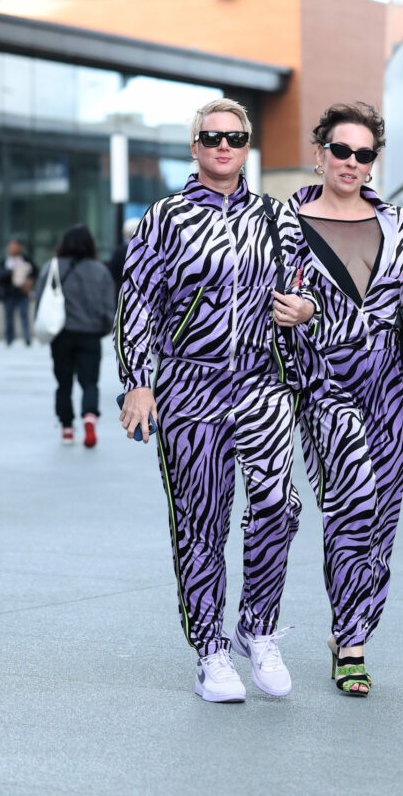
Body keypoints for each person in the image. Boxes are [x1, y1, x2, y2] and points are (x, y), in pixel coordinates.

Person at [115, 98, 302, 702]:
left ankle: (259, 627)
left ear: (248, 147)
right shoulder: (164, 217)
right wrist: (138, 381)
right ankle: (211, 652)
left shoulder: (277, 218)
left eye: (237, 137)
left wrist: (304, 310)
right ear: (194, 147)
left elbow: (307, 294)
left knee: (280, 505)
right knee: (202, 522)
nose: (225, 145)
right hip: (189, 388)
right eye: (213, 136)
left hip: (259, 381)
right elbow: (137, 301)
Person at [272, 102, 403, 696]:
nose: (350, 162)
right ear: (319, 152)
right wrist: (301, 312)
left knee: (383, 513)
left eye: (363, 153)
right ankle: (353, 645)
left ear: (373, 162)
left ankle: (353, 631)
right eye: (340, 150)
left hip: (392, 385)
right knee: (353, 500)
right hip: (323, 382)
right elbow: (265, 301)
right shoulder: (282, 226)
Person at [32, 225, 115, 447]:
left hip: (62, 335)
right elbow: (110, 307)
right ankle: (89, 418)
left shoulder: (52, 267)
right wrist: (103, 329)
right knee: (90, 382)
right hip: (90, 335)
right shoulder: (100, 271)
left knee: (63, 383)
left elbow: (40, 299)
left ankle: (67, 429)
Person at [0, 238, 36, 346]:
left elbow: (35, 272)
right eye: (12, 246)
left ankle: (27, 338)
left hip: (22, 293)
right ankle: (9, 340)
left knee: (24, 315)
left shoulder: (26, 260)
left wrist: (29, 281)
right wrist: (10, 272)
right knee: (9, 318)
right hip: (9, 294)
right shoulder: (4, 261)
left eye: (16, 246)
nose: (14, 248)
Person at [107, 217, 138, 295]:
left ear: (124, 233)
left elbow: (112, 275)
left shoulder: (119, 253)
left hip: (122, 295)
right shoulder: (148, 252)